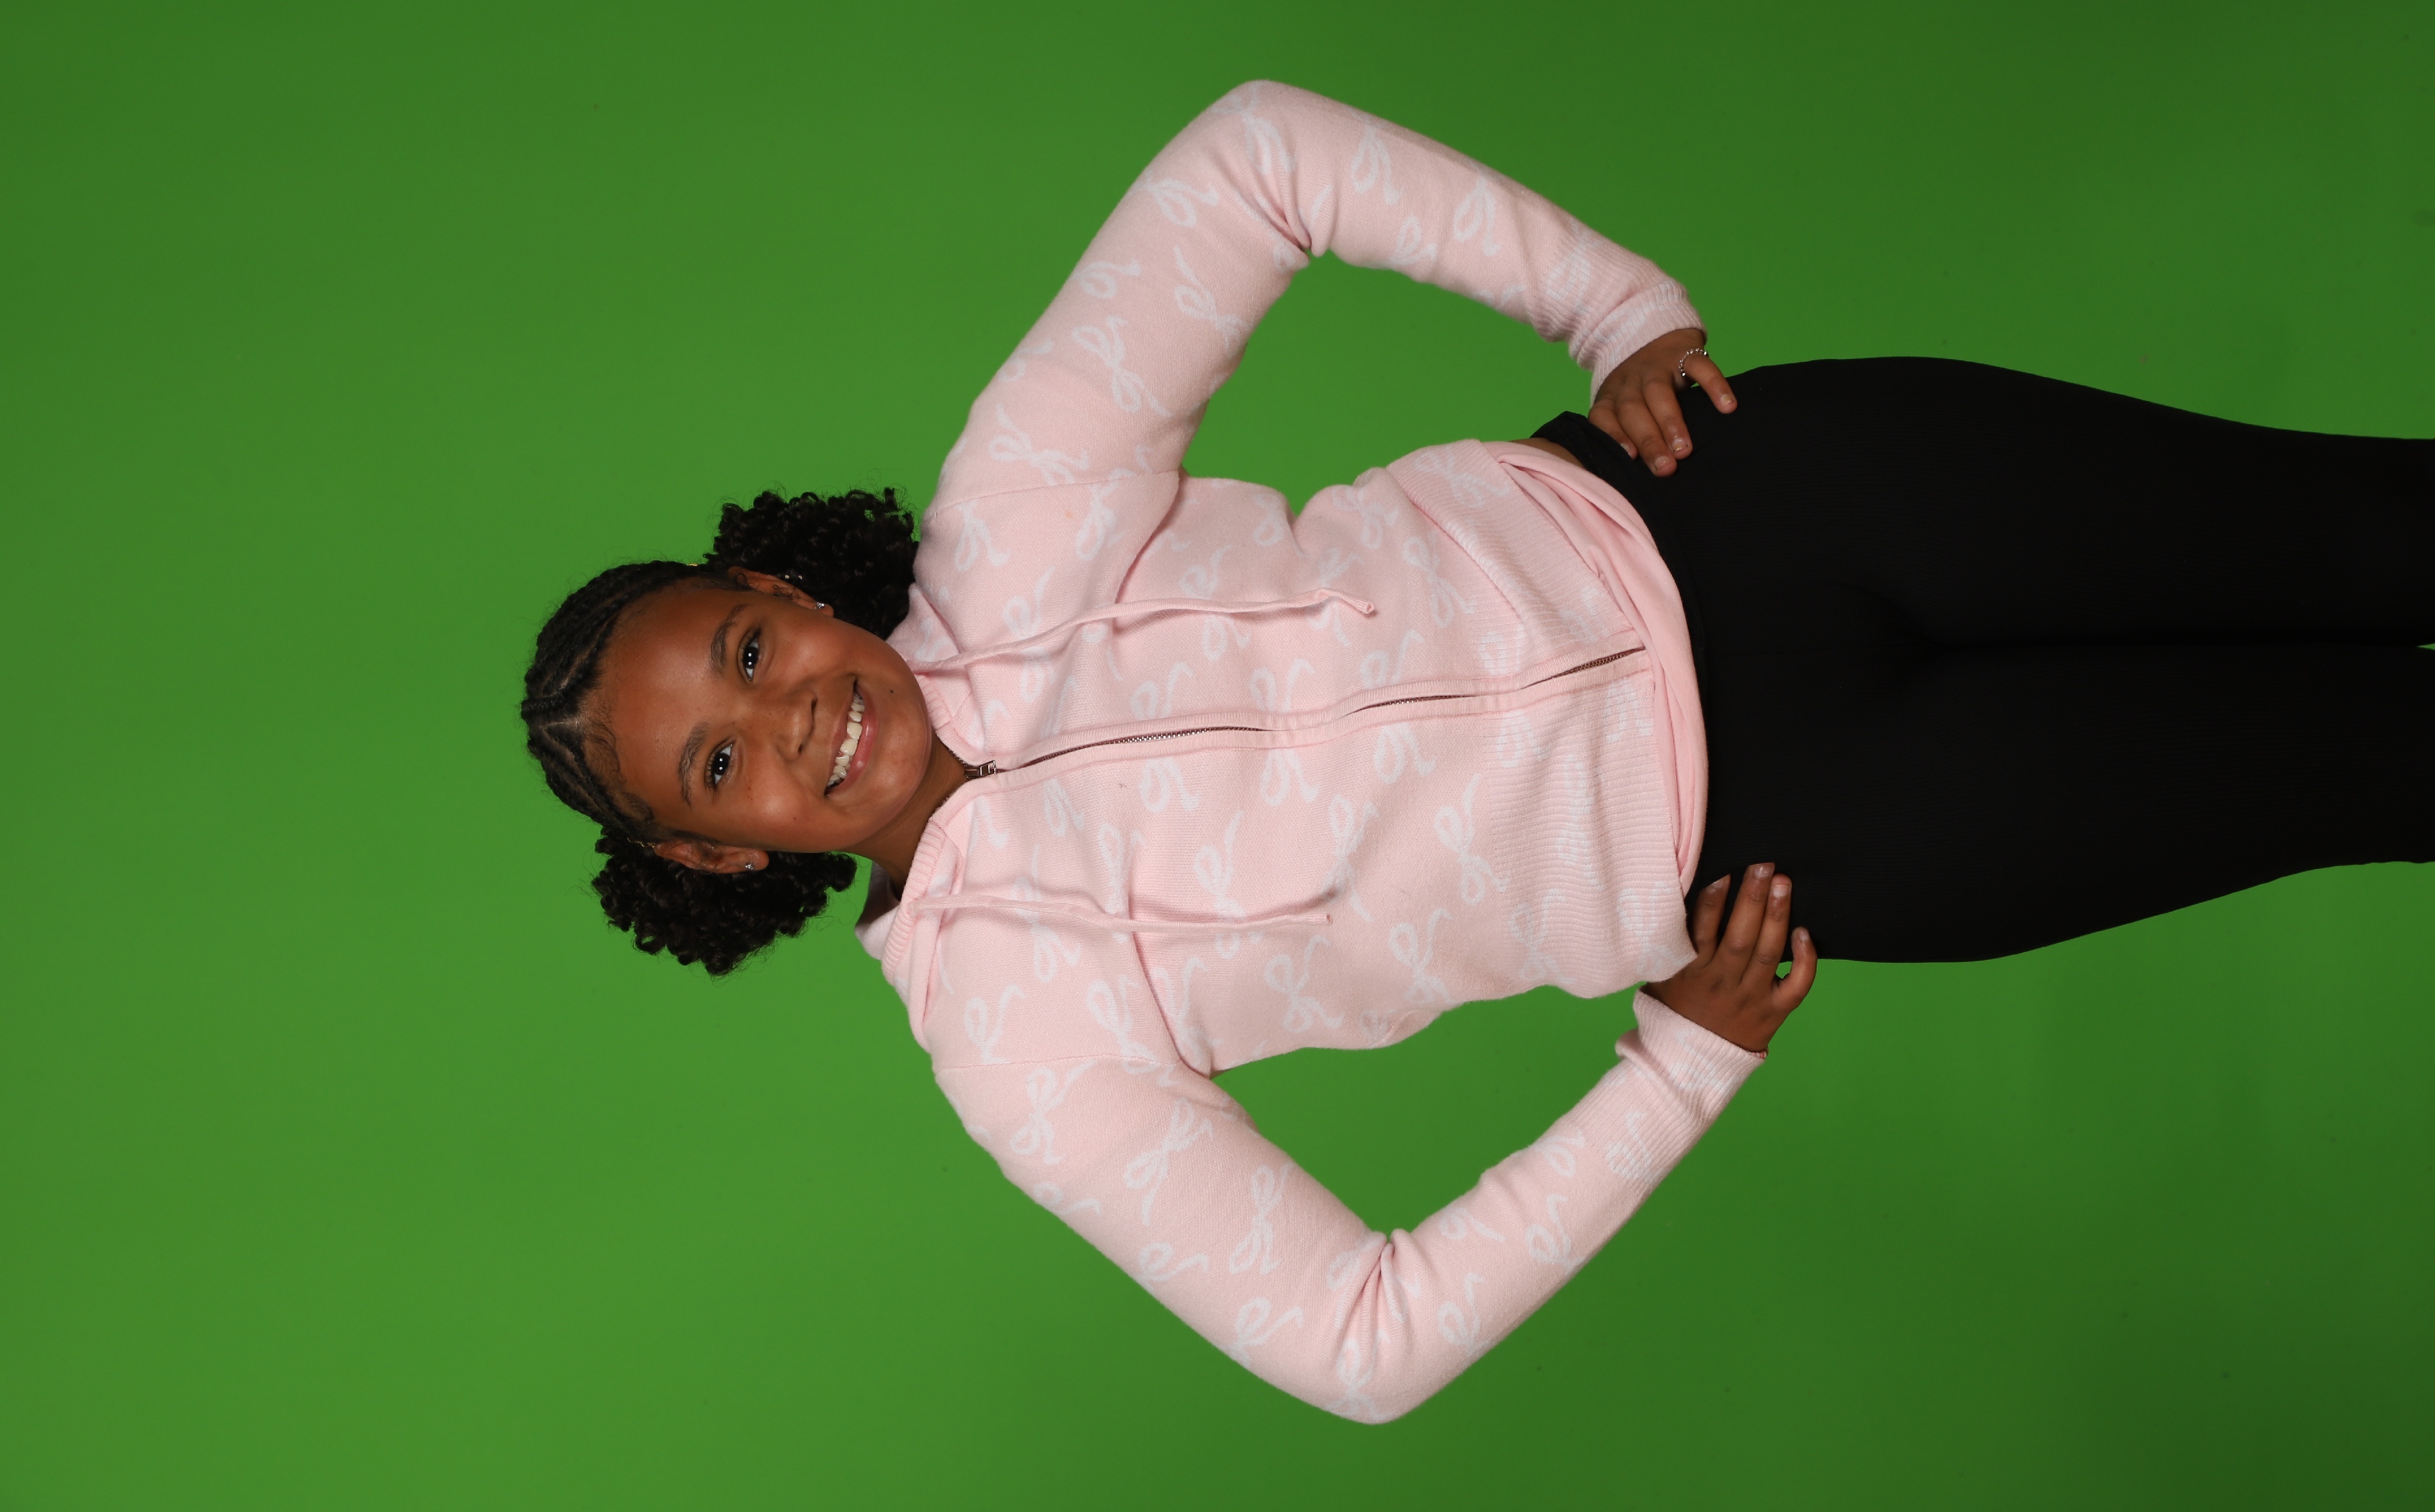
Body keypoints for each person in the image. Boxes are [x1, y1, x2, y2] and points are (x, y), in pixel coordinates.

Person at [517, 83, 2434, 1421]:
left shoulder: (1013, 517)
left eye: (749, 651)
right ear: (716, 858)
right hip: (1812, 828)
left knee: (2368, 529)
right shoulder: (1017, 1043)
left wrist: (1607, 309)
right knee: (2378, 761)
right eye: (719, 769)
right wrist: (1678, 1067)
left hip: (1749, 505)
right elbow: (1362, 1342)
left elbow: (1255, 158)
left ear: (778, 586)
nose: (792, 718)